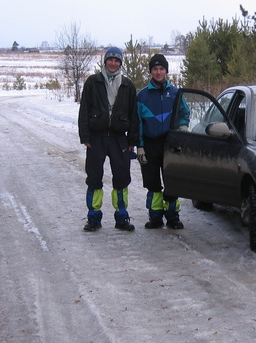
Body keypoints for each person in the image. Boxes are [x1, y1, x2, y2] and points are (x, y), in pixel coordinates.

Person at [78, 47, 139, 232]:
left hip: (119, 138)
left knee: (121, 178)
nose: (113, 63)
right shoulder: (92, 82)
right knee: (94, 177)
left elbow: (134, 115)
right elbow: (84, 111)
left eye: (116, 60)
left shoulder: (128, 86)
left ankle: (122, 217)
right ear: (105, 61)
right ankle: (93, 218)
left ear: (121, 63)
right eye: (110, 60)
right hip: (96, 138)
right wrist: (85, 136)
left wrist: (131, 141)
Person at [136, 53, 190, 229]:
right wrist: (140, 146)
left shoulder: (175, 93)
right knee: (153, 184)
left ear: (166, 71)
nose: (158, 72)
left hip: (170, 144)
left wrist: (182, 128)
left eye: (161, 69)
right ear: (151, 71)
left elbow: (185, 113)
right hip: (150, 145)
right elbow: (137, 122)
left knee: (172, 181)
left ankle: (173, 216)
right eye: (155, 69)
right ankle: (155, 217)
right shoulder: (142, 96)